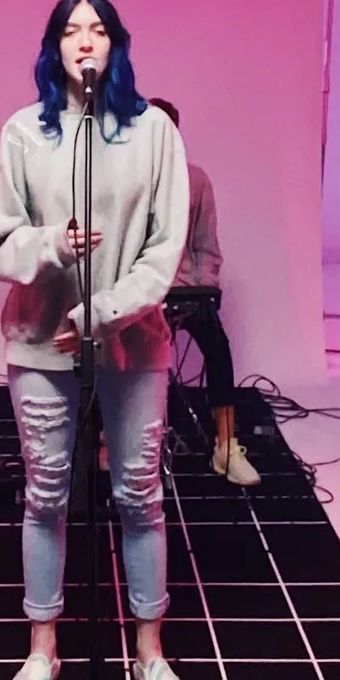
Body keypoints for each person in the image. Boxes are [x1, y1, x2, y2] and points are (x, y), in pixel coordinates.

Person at [0, 0, 193, 680]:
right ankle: (43, 646)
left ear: (117, 43)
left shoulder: (156, 131)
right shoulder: (21, 132)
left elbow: (166, 251)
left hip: (131, 341)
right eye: (71, 30)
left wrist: (101, 313)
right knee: (45, 492)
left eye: (97, 28)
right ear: (53, 46)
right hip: (41, 342)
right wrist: (50, 244)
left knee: (138, 492)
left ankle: (149, 651)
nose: (85, 40)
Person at [146, 99, 257, 489]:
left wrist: (205, 288)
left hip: (188, 292)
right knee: (128, 360)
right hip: (141, 295)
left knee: (219, 348)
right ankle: (129, 442)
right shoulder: (124, 182)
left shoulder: (196, 180)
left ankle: (226, 446)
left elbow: (206, 244)